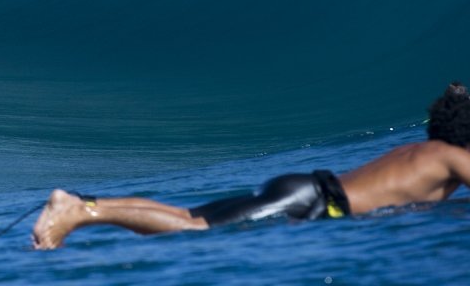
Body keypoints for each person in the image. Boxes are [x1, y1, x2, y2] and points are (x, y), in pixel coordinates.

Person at [31, 82, 470, 249]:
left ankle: (77, 204)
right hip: (313, 203)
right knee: (195, 228)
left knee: (189, 216)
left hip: (304, 187)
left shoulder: (419, 151)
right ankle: (80, 213)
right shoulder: (451, 157)